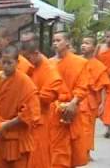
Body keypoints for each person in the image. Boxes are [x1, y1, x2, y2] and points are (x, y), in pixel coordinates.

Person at [0, 45, 41, 168]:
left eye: (9, 63)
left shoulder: (25, 82)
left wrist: (6, 124)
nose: (5, 66)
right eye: (3, 62)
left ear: (17, 62)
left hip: (16, 137)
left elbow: (31, 112)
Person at [20, 32, 69, 168]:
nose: (26, 63)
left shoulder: (50, 69)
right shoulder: (27, 66)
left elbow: (47, 98)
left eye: (27, 58)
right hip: (23, 120)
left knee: (39, 159)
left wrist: (26, 95)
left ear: (35, 53)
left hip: (41, 120)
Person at [49, 31, 89, 168]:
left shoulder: (80, 62)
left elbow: (83, 85)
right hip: (54, 111)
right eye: (53, 40)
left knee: (72, 148)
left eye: (58, 40)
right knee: (56, 150)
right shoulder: (49, 64)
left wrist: (73, 103)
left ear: (67, 42)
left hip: (73, 108)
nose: (55, 43)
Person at [80, 36, 110, 160]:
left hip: (89, 101)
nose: (83, 45)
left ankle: (86, 152)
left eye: (87, 43)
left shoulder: (98, 65)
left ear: (94, 47)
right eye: (82, 43)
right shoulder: (76, 61)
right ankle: (78, 151)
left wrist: (103, 103)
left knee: (88, 128)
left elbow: (103, 86)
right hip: (74, 100)